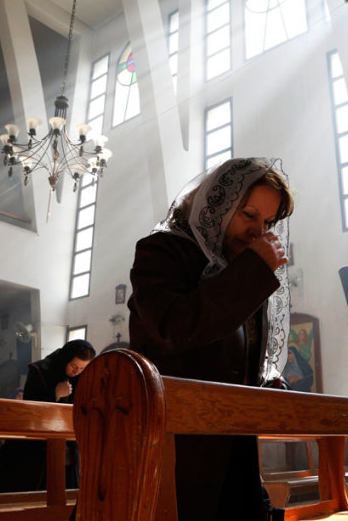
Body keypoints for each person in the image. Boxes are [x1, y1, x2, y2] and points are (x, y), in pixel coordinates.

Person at [128, 157, 294, 521]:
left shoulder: (238, 266)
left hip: (231, 440)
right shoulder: (162, 251)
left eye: (267, 222)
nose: (258, 230)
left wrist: (262, 381)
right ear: (216, 204)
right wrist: (253, 270)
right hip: (175, 444)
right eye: (248, 215)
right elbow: (174, 327)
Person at [0, 339, 95, 494]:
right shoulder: (41, 370)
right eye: (74, 366)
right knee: (25, 490)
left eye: (82, 368)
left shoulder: (83, 377)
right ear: (65, 358)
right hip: (34, 443)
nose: (76, 371)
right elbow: (29, 407)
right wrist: (55, 394)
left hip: (68, 440)